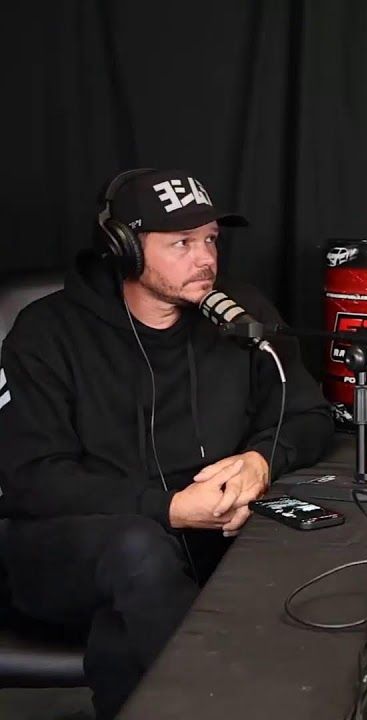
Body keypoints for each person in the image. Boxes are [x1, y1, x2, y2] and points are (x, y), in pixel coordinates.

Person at [0, 169, 333, 717]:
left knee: (122, 637)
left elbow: (308, 416)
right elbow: (32, 479)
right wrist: (170, 508)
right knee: (138, 549)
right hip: (67, 550)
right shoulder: (46, 333)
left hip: (196, 552)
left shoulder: (240, 316)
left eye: (211, 239)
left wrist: (261, 462)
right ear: (125, 249)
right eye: (182, 243)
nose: (206, 259)